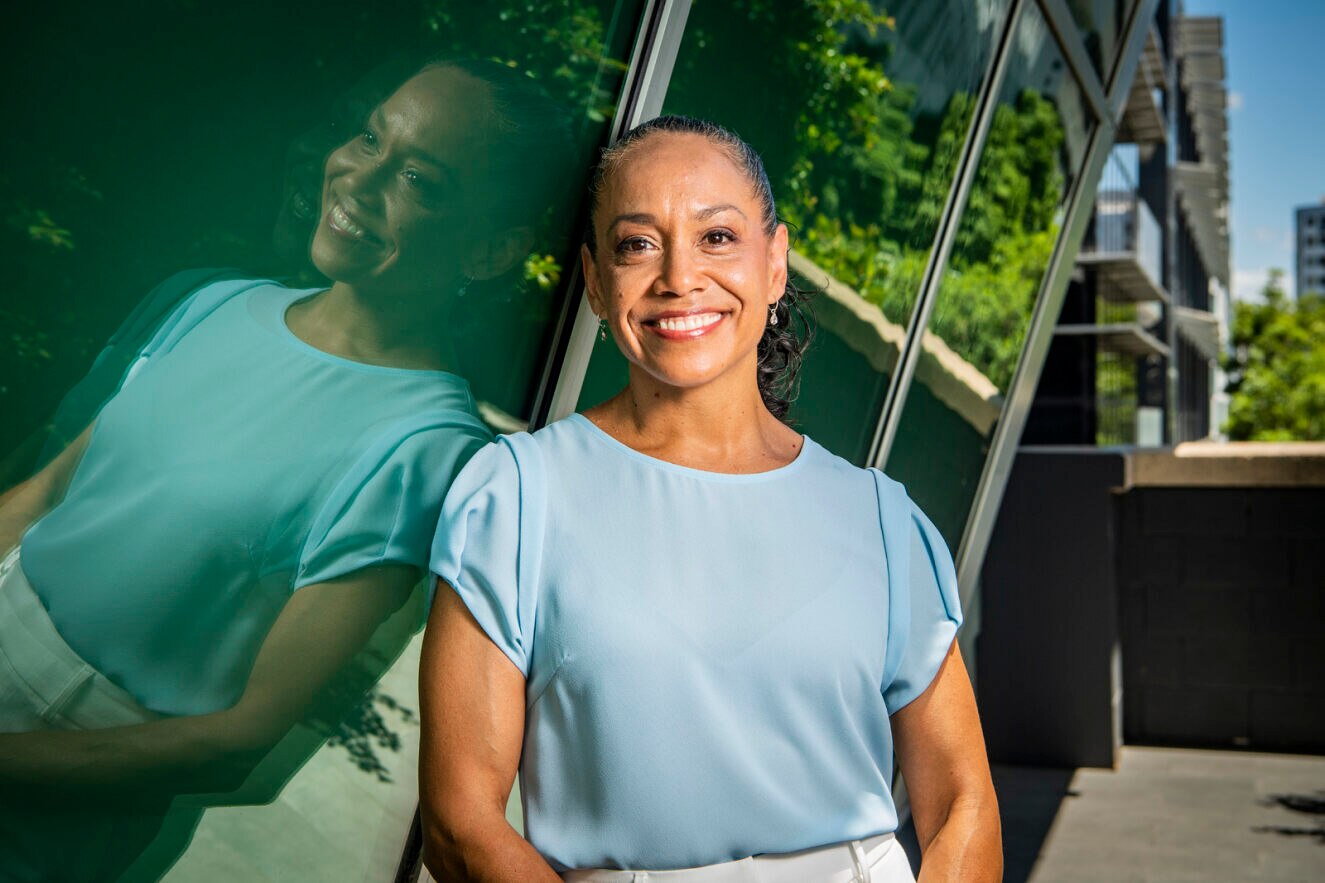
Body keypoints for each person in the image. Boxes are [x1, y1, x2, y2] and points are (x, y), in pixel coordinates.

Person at [0, 56, 573, 882]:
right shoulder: (222, 302)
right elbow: (42, 495)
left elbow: (236, 740)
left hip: (58, 792)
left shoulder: (426, 451)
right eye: (370, 135)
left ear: (491, 250)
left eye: (418, 177)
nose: (358, 176)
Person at [419, 115, 1003, 881]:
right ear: (596, 282)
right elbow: (459, 823)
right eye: (636, 244)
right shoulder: (515, 496)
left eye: (717, 237)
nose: (677, 277)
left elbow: (963, 801)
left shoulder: (882, 519)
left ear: (775, 264)